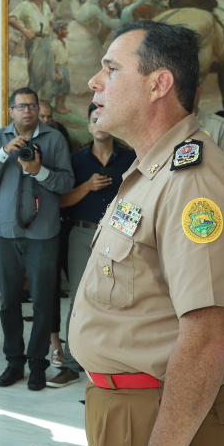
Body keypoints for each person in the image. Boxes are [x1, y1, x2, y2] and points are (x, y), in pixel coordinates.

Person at [69, 20, 224, 446]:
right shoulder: (151, 171)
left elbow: (211, 336)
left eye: (111, 69)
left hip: (162, 424)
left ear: (159, 84)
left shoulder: (194, 182)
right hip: (128, 411)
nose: (95, 82)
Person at [0, 87, 74, 391]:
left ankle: (37, 364)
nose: (27, 111)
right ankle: (14, 362)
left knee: (43, 302)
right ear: (11, 111)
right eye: (21, 106)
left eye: (32, 106)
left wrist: (38, 170)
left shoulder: (54, 139)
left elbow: (66, 182)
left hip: (43, 234)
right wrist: (3, 153)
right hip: (5, 233)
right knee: (9, 302)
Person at [49, 103, 135, 388]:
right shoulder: (75, 160)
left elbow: (138, 197)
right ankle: (71, 364)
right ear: (88, 127)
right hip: (82, 234)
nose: (99, 123)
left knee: (117, 298)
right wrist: (87, 186)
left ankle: (111, 361)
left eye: (103, 118)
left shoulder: (130, 158)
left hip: (119, 236)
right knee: (79, 299)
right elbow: (60, 202)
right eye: (94, 119)